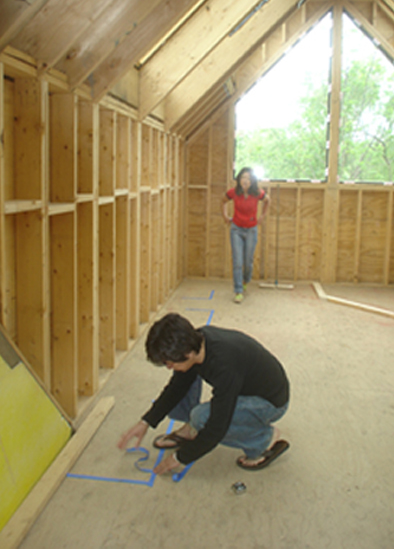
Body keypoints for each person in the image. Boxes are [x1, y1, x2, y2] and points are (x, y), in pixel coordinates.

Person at [117, 313, 290, 475]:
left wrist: (180, 458)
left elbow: (216, 429)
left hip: (270, 403)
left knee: (201, 417)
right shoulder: (196, 342)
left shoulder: (224, 365)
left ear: (187, 353)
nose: (168, 367)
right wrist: (146, 422)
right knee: (184, 377)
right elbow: (176, 388)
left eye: (169, 363)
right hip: (243, 386)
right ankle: (190, 429)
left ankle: (263, 440)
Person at [222, 167, 270, 303]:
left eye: (248, 178)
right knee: (237, 261)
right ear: (239, 179)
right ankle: (238, 291)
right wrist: (225, 216)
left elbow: (267, 200)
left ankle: (245, 281)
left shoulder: (257, 193)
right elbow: (223, 200)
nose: (245, 181)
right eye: (243, 177)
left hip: (251, 230)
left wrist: (262, 216)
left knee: (248, 262)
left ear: (252, 181)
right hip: (236, 229)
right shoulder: (233, 192)